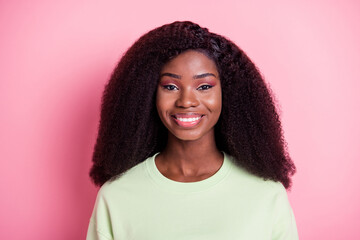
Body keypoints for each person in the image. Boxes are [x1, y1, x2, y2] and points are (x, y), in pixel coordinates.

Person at [86, 21, 298, 240]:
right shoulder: (117, 197)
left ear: (229, 93)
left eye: (204, 87)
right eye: (170, 87)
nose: (186, 101)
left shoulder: (266, 194)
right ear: (147, 93)